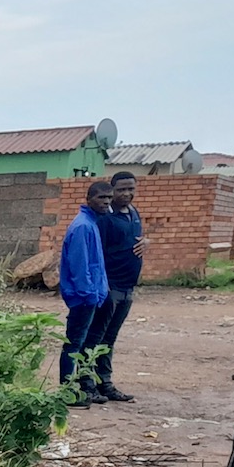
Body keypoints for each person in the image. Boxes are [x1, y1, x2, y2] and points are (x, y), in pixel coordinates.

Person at [89, 171, 144, 402]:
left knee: (110, 339)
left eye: (130, 188)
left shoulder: (133, 213)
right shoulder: (105, 218)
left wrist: (147, 242)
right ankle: (86, 384)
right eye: (121, 189)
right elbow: (96, 253)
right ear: (112, 191)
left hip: (128, 287)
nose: (126, 193)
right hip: (109, 287)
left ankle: (105, 383)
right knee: (95, 337)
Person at [57, 178, 112, 405]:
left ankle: (79, 389)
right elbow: (80, 267)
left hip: (91, 295)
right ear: (89, 199)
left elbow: (96, 264)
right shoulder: (82, 226)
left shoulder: (92, 224)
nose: (105, 202)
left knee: (82, 344)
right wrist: (89, 294)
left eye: (109, 198)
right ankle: (67, 393)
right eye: (101, 197)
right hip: (83, 297)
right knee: (73, 344)